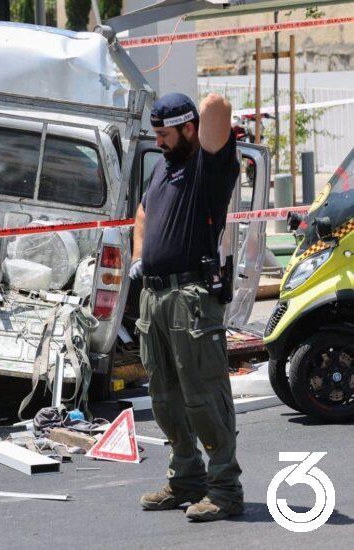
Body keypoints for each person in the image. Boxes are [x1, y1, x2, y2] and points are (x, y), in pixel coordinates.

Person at [130, 92, 243, 522]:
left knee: (204, 398)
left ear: (189, 129)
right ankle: (186, 480)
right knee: (165, 399)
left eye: (164, 133)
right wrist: (140, 256)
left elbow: (217, 105)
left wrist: (188, 108)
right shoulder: (164, 167)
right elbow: (142, 213)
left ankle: (224, 489)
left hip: (191, 299)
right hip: (155, 297)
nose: (158, 141)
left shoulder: (207, 168)